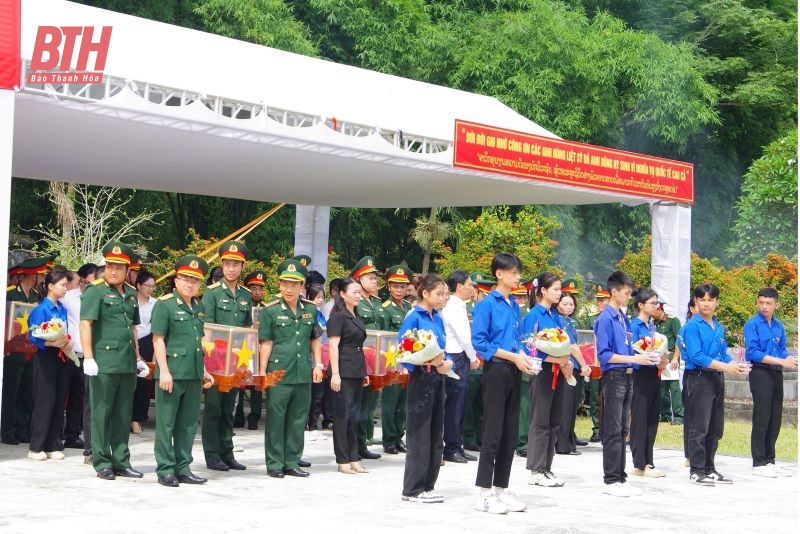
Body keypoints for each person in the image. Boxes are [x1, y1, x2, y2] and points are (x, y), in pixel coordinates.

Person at [79, 242, 144, 481]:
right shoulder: (95, 291)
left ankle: (120, 460)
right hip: (103, 362)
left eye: (119, 267)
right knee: (101, 412)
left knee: (122, 413)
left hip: (126, 362)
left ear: (128, 269)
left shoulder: (129, 294)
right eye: (110, 266)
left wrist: (138, 357)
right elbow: (86, 323)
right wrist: (88, 357)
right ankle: (101, 461)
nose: (113, 271)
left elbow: (133, 328)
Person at [471, 253, 530, 515]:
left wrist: (525, 357)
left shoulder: (514, 305)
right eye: (514, 272)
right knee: (493, 430)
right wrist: (513, 356)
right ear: (499, 274)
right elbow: (481, 343)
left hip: (515, 368)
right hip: (496, 370)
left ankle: (501, 488)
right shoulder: (486, 304)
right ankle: (483, 491)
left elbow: (514, 340)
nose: (518, 277)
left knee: (510, 431)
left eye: (519, 272)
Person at [151, 255, 215, 487]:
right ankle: (165, 469)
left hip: (194, 373)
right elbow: (158, 340)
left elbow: (198, 342)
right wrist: (164, 371)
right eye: (185, 279)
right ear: (176, 280)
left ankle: (183, 467)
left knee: (188, 424)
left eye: (195, 280)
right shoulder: (165, 304)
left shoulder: (199, 307)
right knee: (166, 423)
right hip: (172, 373)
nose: (190, 284)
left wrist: (205, 370)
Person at [258, 259, 324, 478]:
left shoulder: (311, 310)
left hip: (302, 371)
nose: (288, 288)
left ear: (302, 285)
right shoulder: (271, 310)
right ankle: (275, 463)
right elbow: (265, 343)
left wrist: (318, 364)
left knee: (298, 419)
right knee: (276, 419)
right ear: (279, 285)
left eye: (294, 284)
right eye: (285, 283)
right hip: (278, 372)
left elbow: (315, 339)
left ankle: (292, 461)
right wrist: (261, 372)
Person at [594, 271, 653, 497]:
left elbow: (629, 348)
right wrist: (634, 359)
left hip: (628, 376)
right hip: (614, 376)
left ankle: (620, 476)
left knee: (623, 429)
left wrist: (646, 354)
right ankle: (611, 478)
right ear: (614, 292)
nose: (629, 296)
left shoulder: (623, 318)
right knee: (613, 429)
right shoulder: (606, 318)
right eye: (627, 293)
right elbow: (605, 355)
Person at [682, 283, 748, 486]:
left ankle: (709, 468)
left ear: (717, 302)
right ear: (695, 301)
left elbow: (722, 353)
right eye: (702, 299)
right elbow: (697, 356)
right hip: (699, 378)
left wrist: (733, 364)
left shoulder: (718, 326)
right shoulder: (692, 326)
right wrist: (725, 367)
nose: (706, 303)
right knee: (699, 426)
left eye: (711, 299)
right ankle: (696, 470)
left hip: (717, 378)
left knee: (715, 426)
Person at [397, 275, 453, 503]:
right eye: (439, 294)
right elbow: (404, 352)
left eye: (445, 294)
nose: (443, 298)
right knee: (419, 434)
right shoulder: (414, 316)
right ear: (425, 293)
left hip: (438, 379)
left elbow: (442, 347)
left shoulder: (438, 318)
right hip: (420, 379)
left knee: (435, 434)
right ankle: (412, 489)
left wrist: (446, 361)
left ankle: (428, 485)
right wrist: (429, 362)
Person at [201, 240, 252, 472]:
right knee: (213, 408)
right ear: (221, 265)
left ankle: (227, 452)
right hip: (215, 361)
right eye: (227, 264)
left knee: (229, 408)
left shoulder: (246, 295)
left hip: (236, 361)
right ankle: (212, 455)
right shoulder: (211, 293)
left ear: (242, 267)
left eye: (235, 264)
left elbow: (248, 330)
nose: (230, 268)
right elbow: (207, 328)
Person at [521, 273, 572, 487]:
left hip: (557, 371)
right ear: (543, 290)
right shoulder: (533, 316)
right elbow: (529, 347)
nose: (559, 294)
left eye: (560, 290)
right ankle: (536, 468)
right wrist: (557, 357)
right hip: (541, 372)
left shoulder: (555, 315)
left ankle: (547, 467)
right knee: (540, 420)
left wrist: (564, 360)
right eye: (556, 290)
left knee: (554, 420)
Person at [744, 288, 796, 478]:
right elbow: (753, 352)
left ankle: (770, 460)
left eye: (768, 303)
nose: (764, 306)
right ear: (758, 303)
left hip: (776, 373)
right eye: (761, 302)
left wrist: (790, 358)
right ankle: (758, 462)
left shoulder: (778, 325)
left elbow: (781, 349)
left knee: (775, 417)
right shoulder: (752, 324)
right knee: (762, 417)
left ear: (776, 305)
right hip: (761, 373)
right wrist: (782, 361)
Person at [26, 268, 74, 461]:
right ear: (51, 286)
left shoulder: (62, 308)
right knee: (44, 401)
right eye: (63, 285)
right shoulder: (41, 309)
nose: (65, 288)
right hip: (45, 357)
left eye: (66, 285)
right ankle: (35, 447)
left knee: (58, 401)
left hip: (61, 356)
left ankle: (52, 444)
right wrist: (51, 342)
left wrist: (66, 342)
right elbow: (33, 336)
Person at [2, 257, 46, 446]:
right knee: (11, 392)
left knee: (27, 393)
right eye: (41, 274)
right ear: (33, 275)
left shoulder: (36, 296)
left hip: (31, 351)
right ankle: (6, 430)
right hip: (13, 351)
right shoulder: (10, 294)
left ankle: (22, 429)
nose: (43, 278)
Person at [440, 270, 479, 464]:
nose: (472, 288)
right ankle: (451, 448)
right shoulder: (453, 307)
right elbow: (464, 336)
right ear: (459, 286)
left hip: (460, 356)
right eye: (470, 284)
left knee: (461, 403)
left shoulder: (460, 306)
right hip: (455, 356)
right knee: (455, 403)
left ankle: (457, 444)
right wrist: (473, 357)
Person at [629, 288, 668, 478]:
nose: (656, 306)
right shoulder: (634, 326)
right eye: (652, 303)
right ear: (641, 304)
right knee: (640, 419)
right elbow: (632, 351)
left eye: (656, 303)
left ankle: (648, 461)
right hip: (640, 375)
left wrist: (662, 359)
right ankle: (639, 464)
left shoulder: (652, 326)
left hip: (654, 374)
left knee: (652, 418)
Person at [350, 256, 386, 460]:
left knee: (369, 403)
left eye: (375, 278)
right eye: (370, 278)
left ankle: (362, 441)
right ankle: (353, 443)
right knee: (357, 402)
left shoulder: (376, 302)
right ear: (358, 279)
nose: (375, 281)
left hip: (376, 358)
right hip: (359, 357)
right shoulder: (354, 301)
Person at [380, 265, 413, 455]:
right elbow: (383, 338)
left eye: (403, 286)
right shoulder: (385, 309)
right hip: (392, 360)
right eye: (395, 286)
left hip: (408, 359)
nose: (399, 290)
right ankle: (389, 439)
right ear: (389, 287)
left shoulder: (410, 308)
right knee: (390, 401)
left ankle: (399, 436)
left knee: (403, 401)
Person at [554, 290, 591, 456]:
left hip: (572, 366)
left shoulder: (569, 321)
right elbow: (572, 347)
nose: (569, 307)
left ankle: (568, 441)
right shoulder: (558, 320)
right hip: (565, 367)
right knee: (565, 407)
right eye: (565, 303)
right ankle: (563, 445)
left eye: (571, 304)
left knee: (570, 406)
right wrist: (584, 364)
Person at [234, 270, 269, 431]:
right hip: (242, 349)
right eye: (254, 288)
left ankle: (254, 416)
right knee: (240, 381)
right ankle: (238, 415)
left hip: (259, 349)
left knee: (256, 383)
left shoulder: (267, 309)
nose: (257, 292)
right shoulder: (241, 306)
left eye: (260, 289)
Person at [462, 272, 492, 452]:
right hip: (471, 363)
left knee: (482, 403)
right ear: (477, 292)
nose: (485, 298)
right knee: (469, 403)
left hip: (486, 363)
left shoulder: (491, 310)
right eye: (483, 294)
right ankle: (469, 437)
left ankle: (481, 436)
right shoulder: (465, 309)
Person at [60, 267, 88, 452]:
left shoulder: (99, 299)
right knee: (61, 395)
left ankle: (73, 435)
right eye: (87, 282)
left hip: (87, 357)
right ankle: (55, 435)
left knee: (79, 398)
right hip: (68, 354)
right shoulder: (69, 297)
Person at [130, 270, 157, 435]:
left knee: (144, 384)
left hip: (149, 343)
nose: (151, 289)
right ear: (139, 285)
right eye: (148, 285)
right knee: (128, 383)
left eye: (153, 286)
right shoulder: (131, 302)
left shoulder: (156, 304)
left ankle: (137, 419)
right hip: (131, 342)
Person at [305, 284, 330, 440]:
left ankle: (313, 424)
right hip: (309, 357)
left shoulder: (320, 313)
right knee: (308, 394)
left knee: (318, 394)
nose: (320, 300)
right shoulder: (308, 313)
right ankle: (306, 424)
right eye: (317, 297)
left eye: (322, 297)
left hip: (321, 357)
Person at [586, 284, 610, 443]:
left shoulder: (618, 317)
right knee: (595, 398)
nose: (600, 303)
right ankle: (596, 429)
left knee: (609, 397)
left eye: (603, 300)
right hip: (595, 363)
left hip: (609, 363)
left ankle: (607, 428)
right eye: (599, 300)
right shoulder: (591, 318)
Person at [654, 302, 684, 424]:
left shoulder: (673, 321)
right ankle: (664, 414)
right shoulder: (652, 323)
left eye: (654, 310)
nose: (652, 313)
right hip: (658, 357)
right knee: (662, 387)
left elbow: (679, 340)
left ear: (660, 309)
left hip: (671, 356)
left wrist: (675, 358)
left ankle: (678, 416)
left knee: (674, 387)